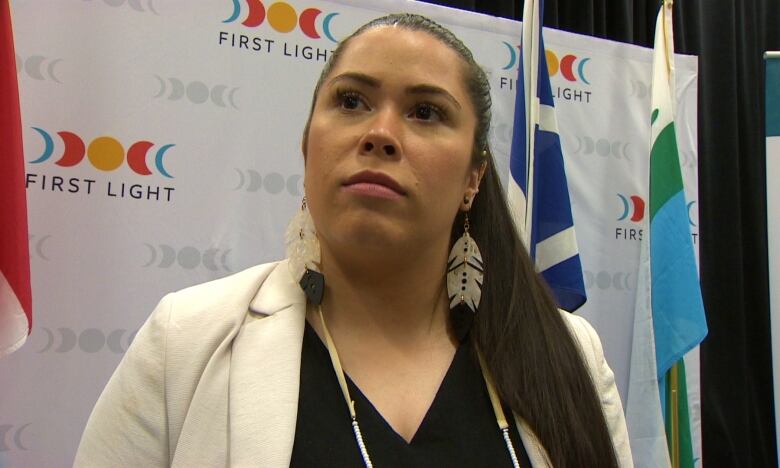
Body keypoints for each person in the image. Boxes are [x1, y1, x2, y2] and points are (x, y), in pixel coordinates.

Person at [75, 13, 632, 468]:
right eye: (351, 102)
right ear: (306, 146)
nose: (381, 134)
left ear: (473, 179)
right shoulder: (185, 341)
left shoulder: (571, 355)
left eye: (426, 112)